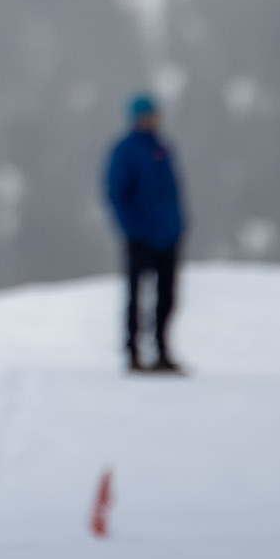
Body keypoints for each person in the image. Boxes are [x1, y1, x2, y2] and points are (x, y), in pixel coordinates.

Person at [104, 95, 186, 374]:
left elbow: (173, 191)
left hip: (168, 234)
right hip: (140, 236)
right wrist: (132, 228)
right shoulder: (125, 150)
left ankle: (162, 350)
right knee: (136, 296)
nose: (152, 119)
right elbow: (116, 193)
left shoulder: (162, 147)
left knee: (167, 296)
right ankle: (133, 353)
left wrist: (178, 225)